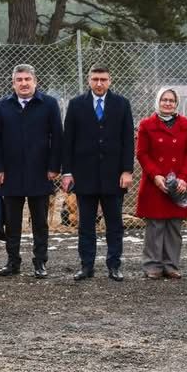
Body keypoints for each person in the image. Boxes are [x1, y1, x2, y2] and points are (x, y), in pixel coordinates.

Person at [61, 65, 134, 282]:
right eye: (95, 79)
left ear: (110, 80)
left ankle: (114, 265)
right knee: (85, 224)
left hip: (114, 175)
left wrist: (127, 170)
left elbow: (128, 140)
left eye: (103, 79)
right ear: (89, 80)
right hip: (85, 175)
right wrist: (68, 172)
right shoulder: (76, 105)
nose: (99, 83)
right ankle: (86, 265)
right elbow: (68, 141)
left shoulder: (122, 104)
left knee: (114, 223)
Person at [0, 64, 63, 279]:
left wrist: (53, 167)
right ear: (13, 83)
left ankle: (40, 262)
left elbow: (57, 137)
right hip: (10, 173)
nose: (23, 83)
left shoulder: (49, 104)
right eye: (19, 80)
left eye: (27, 79)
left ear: (35, 81)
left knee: (39, 221)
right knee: (12, 222)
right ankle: (13, 262)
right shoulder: (3, 106)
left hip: (40, 172)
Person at [135, 87, 187, 279]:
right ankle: (152, 265)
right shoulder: (146, 125)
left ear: (176, 103)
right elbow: (142, 153)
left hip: (178, 183)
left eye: (171, 100)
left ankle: (171, 265)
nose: (167, 103)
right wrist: (156, 175)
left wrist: (185, 178)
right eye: (164, 100)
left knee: (174, 225)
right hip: (156, 182)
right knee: (155, 225)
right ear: (158, 102)